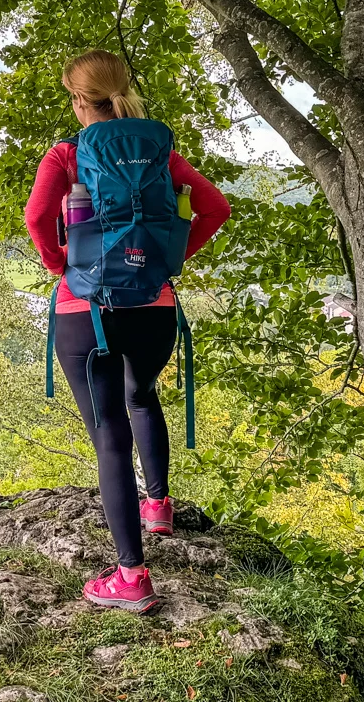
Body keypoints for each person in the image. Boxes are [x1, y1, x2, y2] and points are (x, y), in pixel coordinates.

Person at [24, 50, 231, 612]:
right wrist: (168, 259)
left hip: (87, 311)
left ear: (77, 98)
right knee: (142, 396)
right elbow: (215, 208)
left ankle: (131, 577)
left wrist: (59, 264)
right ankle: (157, 507)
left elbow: (38, 220)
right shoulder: (159, 154)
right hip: (156, 306)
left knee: (108, 432)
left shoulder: (67, 155)